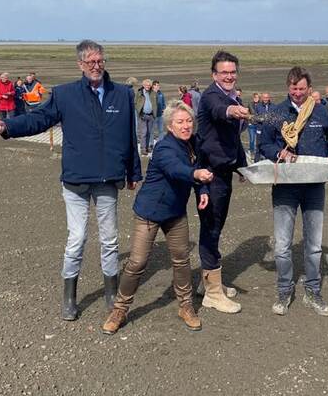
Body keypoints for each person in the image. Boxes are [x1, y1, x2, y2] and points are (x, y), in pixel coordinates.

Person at [0, 40, 142, 321]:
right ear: (80, 65)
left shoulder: (122, 94)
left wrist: (133, 172)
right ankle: (69, 296)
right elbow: (39, 119)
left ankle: (111, 293)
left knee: (109, 239)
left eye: (100, 61)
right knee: (77, 238)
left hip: (108, 178)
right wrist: (7, 126)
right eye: (90, 62)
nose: (96, 66)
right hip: (76, 179)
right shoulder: (66, 94)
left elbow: (130, 135)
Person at [102, 101, 213, 334]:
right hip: (150, 213)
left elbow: (198, 166)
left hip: (175, 213)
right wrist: (195, 174)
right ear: (170, 127)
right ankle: (119, 310)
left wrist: (202, 191)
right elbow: (176, 169)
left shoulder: (194, 144)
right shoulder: (164, 148)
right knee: (137, 262)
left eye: (189, 121)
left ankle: (186, 306)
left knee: (182, 259)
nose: (186, 126)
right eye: (180, 122)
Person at [258, 66, 328, 317]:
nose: (297, 93)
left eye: (302, 89)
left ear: (309, 89)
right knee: (283, 245)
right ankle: (284, 291)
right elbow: (264, 144)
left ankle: (313, 291)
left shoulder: (320, 111)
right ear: (288, 87)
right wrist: (278, 153)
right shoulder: (276, 113)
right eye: (293, 88)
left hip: (314, 186)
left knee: (314, 245)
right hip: (285, 187)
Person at [195, 50, 249, 314]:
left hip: (225, 171)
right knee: (211, 229)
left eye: (232, 72)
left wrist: (242, 167)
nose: (229, 76)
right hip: (209, 175)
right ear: (214, 75)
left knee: (215, 228)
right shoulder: (211, 96)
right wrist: (231, 110)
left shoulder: (233, 95)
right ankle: (213, 294)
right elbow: (219, 111)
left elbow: (233, 139)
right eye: (223, 72)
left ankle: (208, 282)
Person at [135, 79, 158, 155]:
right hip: (143, 115)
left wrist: (155, 112)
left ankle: (147, 147)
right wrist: (139, 111)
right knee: (144, 132)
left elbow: (156, 103)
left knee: (149, 132)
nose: (148, 86)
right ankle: (143, 148)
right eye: (146, 85)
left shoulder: (153, 93)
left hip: (151, 115)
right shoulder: (139, 93)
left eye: (149, 85)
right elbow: (135, 102)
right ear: (143, 85)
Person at [246, 92, 260, 160]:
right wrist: (249, 122)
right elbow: (247, 113)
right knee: (252, 139)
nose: (256, 99)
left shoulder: (261, 104)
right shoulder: (250, 104)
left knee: (258, 140)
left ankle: (258, 153)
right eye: (255, 97)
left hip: (258, 125)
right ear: (253, 98)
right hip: (251, 125)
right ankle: (252, 152)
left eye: (257, 97)